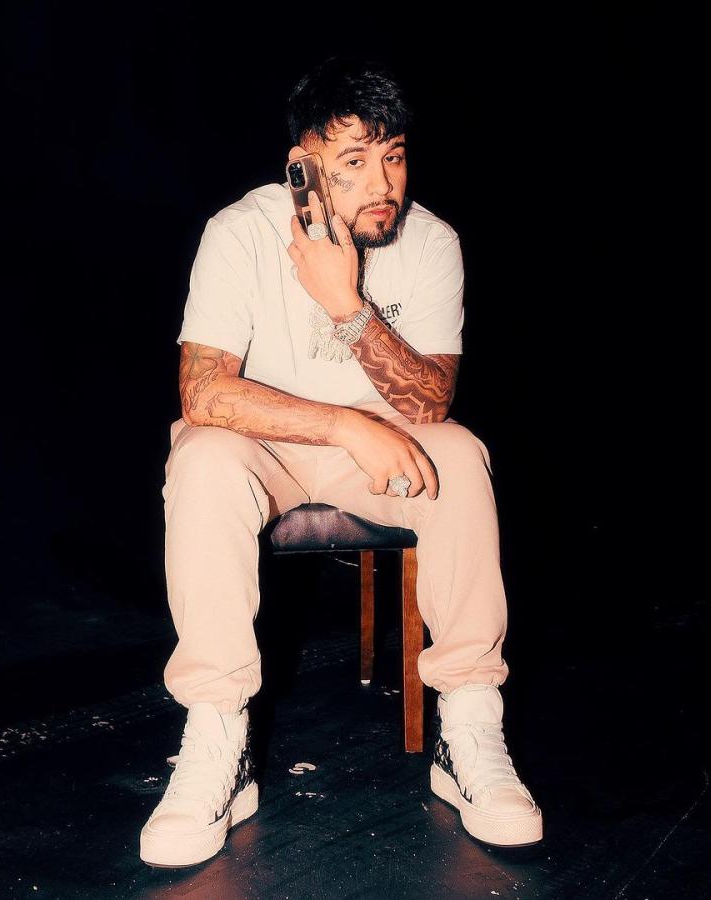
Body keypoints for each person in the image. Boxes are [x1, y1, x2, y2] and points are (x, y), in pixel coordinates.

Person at [139, 55, 543, 868]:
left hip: (382, 453)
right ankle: (218, 737)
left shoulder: (431, 242)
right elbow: (203, 392)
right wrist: (342, 425)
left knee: (459, 455)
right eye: (353, 162)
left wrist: (346, 305)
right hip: (267, 446)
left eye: (393, 155)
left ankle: (468, 726)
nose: (382, 183)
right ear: (303, 168)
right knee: (203, 459)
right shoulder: (240, 231)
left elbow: (429, 404)